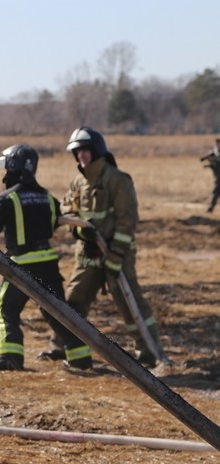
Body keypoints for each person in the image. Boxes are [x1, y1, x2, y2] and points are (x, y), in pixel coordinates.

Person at [0, 144, 92, 371]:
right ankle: (80, 358)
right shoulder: (47, 197)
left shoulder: (8, 198)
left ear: (13, 167)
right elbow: (52, 223)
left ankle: (10, 357)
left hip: (21, 266)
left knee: (4, 311)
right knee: (58, 313)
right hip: (48, 265)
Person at [62, 126, 164, 368]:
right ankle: (66, 346)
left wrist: (117, 254)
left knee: (130, 303)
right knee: (73, 300)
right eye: (77, 152)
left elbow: (127, 220)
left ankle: (149, 350)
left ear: (96, 151)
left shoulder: (117, 180)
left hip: (116, 253)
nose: (81, 157)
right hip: (88, 253)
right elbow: (67, 211)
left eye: (85, 151)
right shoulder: (78, 182)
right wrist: (79, 230)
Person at [199, 138, 220, 213]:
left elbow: (217, 159)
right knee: (216, 193)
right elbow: (210, 159)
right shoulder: (213, 152)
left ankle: (210, 209)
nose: (217, 145)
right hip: (218, 178)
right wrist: (206, 159)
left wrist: (211, 159)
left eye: (218, 144)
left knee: (216, 193)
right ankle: (210, 209)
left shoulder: (216, 154)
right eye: (216, 144)